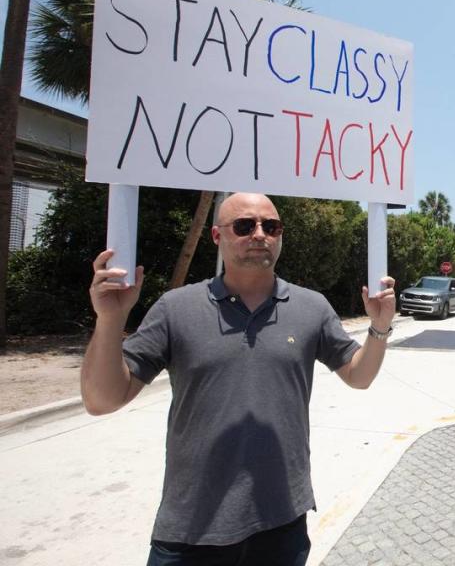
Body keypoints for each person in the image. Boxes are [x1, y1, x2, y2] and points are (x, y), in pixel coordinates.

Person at [82, 192, 396, 566]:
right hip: (191, 530)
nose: (259, 234)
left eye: (271, 226)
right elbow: (103, 400)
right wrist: (110, 319)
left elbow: (358, 376)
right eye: (245, 226)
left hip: (281, 524)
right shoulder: (175, 308)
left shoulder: (312, 307)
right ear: (218, 236)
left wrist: (379, 327)